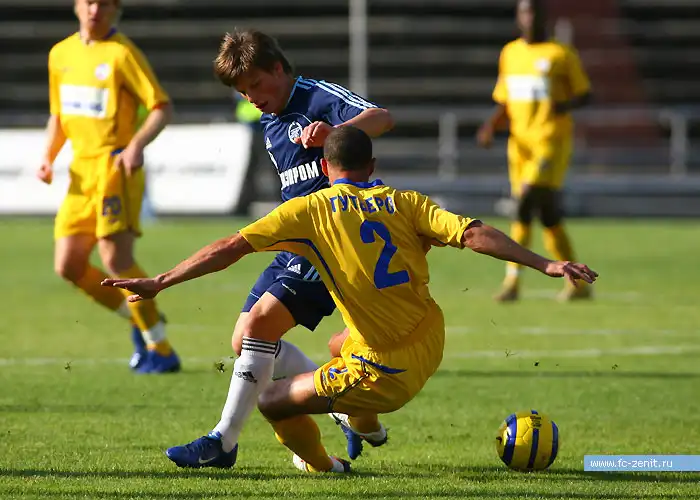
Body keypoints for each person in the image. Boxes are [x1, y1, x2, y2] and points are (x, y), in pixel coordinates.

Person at [104, 126, 598, 473]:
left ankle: (328, 467)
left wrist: (161, 281)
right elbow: (473, 233)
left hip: (386, 372)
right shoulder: (405, 201)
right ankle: (365, 427)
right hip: (431, 336)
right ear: (372, 167)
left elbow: (229, 247)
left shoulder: (311, 210)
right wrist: (546, 264)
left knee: (272, 401)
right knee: (338, 343)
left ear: (325, 167)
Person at [157, 30, 395, 466]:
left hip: (331, 243)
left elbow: (381, 118)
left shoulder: (316, 96)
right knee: (244, 341)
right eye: (243, 92)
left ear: (279, 69)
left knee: (260, 328)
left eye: (257, 85)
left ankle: (222, 442)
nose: (252, 98)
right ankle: (338, 405)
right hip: (295, 244)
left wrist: (336, 133)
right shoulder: (270, 122)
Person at [37, 0, 179, 373]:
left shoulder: (122, 54)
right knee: (68, 265)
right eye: (89, 1)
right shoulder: (60, 54)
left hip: (115, 169)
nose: (95, 10)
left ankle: (161, 348)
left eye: (104, 3)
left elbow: (161, 107)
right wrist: (48, 156)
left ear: (115, 9)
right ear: (76, 6)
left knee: (116, 260)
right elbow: (59, 115)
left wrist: (136, 145)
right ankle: (141, 319)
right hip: (80, 173)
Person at [477, 0, 593, 302]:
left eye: (535, 11)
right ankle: (579, 283)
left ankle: (512, 282)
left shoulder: (560, 53)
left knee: (524, 202)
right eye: (525, 12)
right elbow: (505, 100)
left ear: (544, 17)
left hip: (550, 140)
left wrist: (562, 106)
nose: (530, 17)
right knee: (547, 213)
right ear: (518, 17)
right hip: (520, 145)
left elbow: (585, 94)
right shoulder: (510, 53)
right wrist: (490, 126)